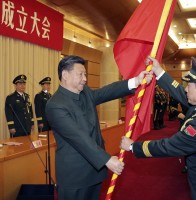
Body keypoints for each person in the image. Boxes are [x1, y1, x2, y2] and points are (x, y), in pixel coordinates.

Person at [121, 56, 196, 200]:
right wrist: (159, 71)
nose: (185, 89)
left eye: (188, 86)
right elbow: (180, 93)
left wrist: (134, 147)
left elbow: (170, 146)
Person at [45, 55, 153, 200]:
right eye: (80, 74)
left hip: (95, 170)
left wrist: (136, 81)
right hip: (75, 176)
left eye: (85, 74)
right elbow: (78, 138)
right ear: (65, 75)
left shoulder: (85, 93)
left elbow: (106, 92)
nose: (85, 78)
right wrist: (107, 159)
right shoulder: (55, 105)